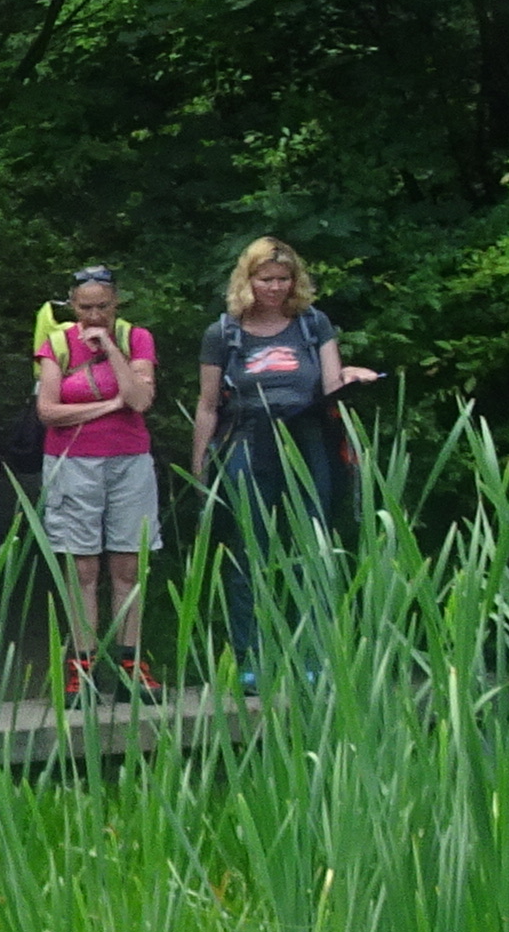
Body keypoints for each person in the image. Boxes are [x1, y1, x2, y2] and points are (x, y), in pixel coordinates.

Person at [191, 236, 379, 695]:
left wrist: (352, 375)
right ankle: (250, 658)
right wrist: (200, 472)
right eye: (265, 279)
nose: (274, 288)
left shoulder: (313, 325)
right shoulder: (224, 332)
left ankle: (313, 655)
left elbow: (330, 386)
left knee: (310, 547)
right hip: (247, 442)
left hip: (307, 439)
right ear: (247, 279)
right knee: (248, 549)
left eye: (283, 279)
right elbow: (208, 405)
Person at [31, 266, 164, 701]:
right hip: (72, 462)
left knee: (128, 565)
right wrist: (110, 405)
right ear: (72, 305)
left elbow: (141, 400)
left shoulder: (134, 338)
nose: (94, 316)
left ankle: (131, 662)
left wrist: (109, 348)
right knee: (81, 566)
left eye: (102, 307)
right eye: (85, 308)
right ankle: (82, 667)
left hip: (129, 460)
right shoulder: (55, 345)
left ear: (116, 304)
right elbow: (48, 412)